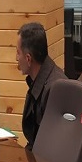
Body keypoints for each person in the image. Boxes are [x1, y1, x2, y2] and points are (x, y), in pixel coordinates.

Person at [17, 22, 66, 150]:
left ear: (28, 59)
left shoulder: (53, 91)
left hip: (44, 160)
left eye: (18, 53)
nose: (16, 58)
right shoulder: (42, 80)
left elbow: (51, 147)